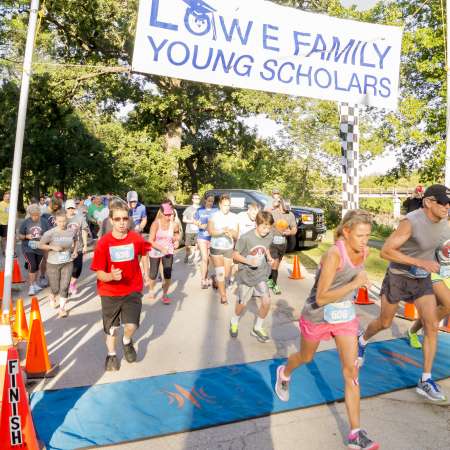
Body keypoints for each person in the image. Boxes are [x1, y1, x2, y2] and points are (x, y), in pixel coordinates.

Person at [275, 210, 378, 450]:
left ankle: (355, 433)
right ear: (346, 232)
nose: (365, 240)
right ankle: (284, 372)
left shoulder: (364, 251)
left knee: (351, 371)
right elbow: (320, 298)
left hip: (344, 316)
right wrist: (356, 282)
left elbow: (356, 276)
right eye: (361, 235)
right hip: (318, 315)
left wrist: (358, 281)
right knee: (306, 357)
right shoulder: (333, 254)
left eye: (368, 235)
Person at [358, 184, 450, 402]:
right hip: (398, 277)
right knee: (384, 322)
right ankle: (361, 340)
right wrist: (419, 261)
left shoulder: (446, 222)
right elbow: (386, 251)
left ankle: (425, 380)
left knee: (431, 326)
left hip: (422, 280)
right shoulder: (411, 222)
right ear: (428, 202)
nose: (448, 207)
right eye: (444, 203)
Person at [91, 201, 151, 371]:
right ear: (111, 220)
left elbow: (143, 253)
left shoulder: (135, 238)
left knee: (131, 325)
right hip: (110, 291)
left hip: (132, 289)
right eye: (117, 219)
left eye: (125, 218)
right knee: (112, 329)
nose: (122, 222)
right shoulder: (103, 243)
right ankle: (111, 355)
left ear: (129, 219)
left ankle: (126, 341)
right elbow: (99, 272)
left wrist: (144, 272)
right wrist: (110, 276)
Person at [230, 211, 274, 342]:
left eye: (268, 228)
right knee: (242, 304)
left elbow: (266, 247)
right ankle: (234, 320)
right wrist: (249, 262)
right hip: (246, 274)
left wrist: (269, 257)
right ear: (256, 224)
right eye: (263, 227)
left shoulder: (269, 236)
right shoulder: (246, 238)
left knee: (266, 301)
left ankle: (257, 328)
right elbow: (235, 255)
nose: (266, 231)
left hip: (261, 273)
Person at [407, 231, 450, 349]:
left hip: (447, 274)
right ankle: (429, 328)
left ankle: (413, 331)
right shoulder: (438, 228)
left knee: (437, 310)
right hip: (431, 271)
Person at [39, 210, 77, 318]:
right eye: (60, 221)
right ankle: (52, 295)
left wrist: (74, 252)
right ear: (55, 221)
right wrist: (52, 247)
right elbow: (40, 245)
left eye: (64, 221)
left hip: (67, 262)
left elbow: (75, 241)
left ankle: (62, 309)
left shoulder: (71, 231)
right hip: (53, 263)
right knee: (55, 288)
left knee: (64, 287)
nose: (62, 223)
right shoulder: (50, 233)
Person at [208, 194, 239, 304]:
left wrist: (231, 232)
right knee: (220, 272)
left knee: (226, 274)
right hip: (216, 248)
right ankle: (223, 296)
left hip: (228, 248)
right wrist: (222, 231)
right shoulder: (214, 216)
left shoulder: (234, 217)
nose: (227, 207)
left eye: (229, 205)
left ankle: (216, 279)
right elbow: (210, 231)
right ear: (220, 205)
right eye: (225, 205)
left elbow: (236, 235)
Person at [148, 200, 180, 304]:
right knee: (153, 274)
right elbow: (150, 241)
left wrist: (176, 241)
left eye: (169, 214)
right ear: (161, 213)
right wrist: (161, 248)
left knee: (167, 274)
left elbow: (176, 235)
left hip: (168, 251)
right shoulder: (155, 224)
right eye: (166, 214)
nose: (168, 217)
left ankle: (165, 294)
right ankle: (151, 289)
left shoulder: (174, 224)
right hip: (155, 251)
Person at [18, 204, 50, 296]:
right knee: (33, 265)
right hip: (27, 248)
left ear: (39, 213)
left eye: (37, 215)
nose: (35, 217)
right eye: (33, 215)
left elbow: (48, 233)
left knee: (36, 266)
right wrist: (26, 236)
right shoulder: (26, 222)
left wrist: (43, 237)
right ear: (30, 214)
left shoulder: (44, 222)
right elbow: (19, 236)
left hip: (39, 247)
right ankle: (31, 286)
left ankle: (35, 284)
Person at [268, 198, 297, 295]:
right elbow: (266, 222)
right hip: (272, 242)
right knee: (275, 263)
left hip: (283, 243)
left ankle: (269, 279)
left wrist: (290, 232)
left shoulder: (290, 214)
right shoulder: (273, 213)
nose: (287, 209)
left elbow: (294, 229)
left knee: (277, 264)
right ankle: (275, 285)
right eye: (285, 207)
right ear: (280, 204)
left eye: (288, 208)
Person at [66, 199, 89, 296]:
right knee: (66, 269)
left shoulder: (80, 218)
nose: (71, 209)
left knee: (77, 269)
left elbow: (84, 231)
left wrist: (85, 245)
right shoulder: (63, 219)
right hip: (65, 248)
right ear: (66, 208)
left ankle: (72, 283)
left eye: (72, 208)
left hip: (78, 247)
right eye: (69, 208)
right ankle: (66, 286)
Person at [194, 194, 218, 289]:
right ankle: (203, 280)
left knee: (211, 259)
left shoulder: (216, 210)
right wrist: (199, 225)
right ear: (205, 200)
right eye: (209, 201)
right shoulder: (200, 210)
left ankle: (212, 278)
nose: (210, 203)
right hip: (202, 237)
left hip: (213, 238)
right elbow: (195, 221)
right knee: (204, 258)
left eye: (212, 201)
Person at [182, 193, 201, 263]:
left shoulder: (201, 208)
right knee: (188, 246)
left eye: (198, 198)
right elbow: (184, 219)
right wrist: (192, 221)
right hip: (189, 230)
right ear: (192, 200)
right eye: (196, 198)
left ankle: (195, 258)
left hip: (198, 231)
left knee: (197, 245)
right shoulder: (188, 209)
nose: (197, 200)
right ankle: (187, 255)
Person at [0, 190, 10, 255]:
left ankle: (10, 250)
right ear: (4, 197)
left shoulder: (12, 204)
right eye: (6, 197)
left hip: (10, 224)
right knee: (3, 238)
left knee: (11, 237)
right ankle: (4, 250)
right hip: (2, 223)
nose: (8, 198)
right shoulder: (1, 204)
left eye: (9, 197)